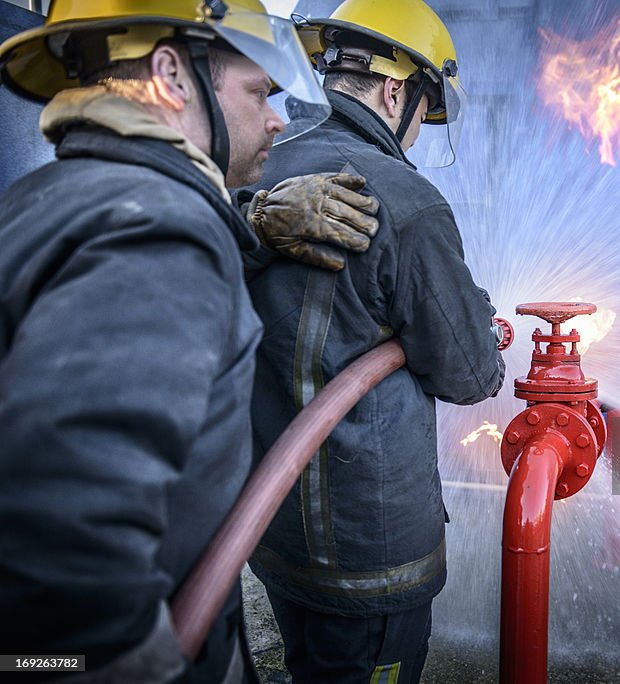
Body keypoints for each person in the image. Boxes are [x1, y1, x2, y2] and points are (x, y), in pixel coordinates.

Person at [0, 1, 373, 681]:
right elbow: (64, 554)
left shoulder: (44, 201)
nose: (277, 119)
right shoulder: (159, 236)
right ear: (173, 73)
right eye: (259, 91)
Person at [240, 1, 504, 681]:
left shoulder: (254, 175)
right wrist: (475, 312)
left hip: (272, 527)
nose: (416, 136)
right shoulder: (405, 201)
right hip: (369, 553)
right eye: (422, 114)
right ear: (396, 90)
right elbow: (470, 375)